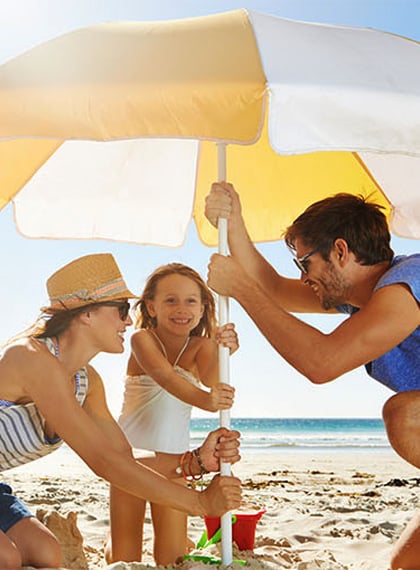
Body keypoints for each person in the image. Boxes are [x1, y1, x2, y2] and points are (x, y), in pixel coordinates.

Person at [204, 181, 420, 570]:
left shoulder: (404, 289)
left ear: (340, 251)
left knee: (405, 416)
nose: (304, 277)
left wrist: (241, 291)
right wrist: (233, 223)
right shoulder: (366, 299)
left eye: (305, 263)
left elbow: (322, 363)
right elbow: (273, 290)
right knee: (406, 564)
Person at [0, 253, 242, 570]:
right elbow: (103, 461)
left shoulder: (87, 381)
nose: (129, 321)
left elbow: (122, 457)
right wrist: (200, 503)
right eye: (122, 310)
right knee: (6, 558)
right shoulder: (28, 357)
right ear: (87, 313)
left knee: (45, 554)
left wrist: (195, 461)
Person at [106, 263, 237, 565]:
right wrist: (206, 401)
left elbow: (213, 379)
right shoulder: (142, 339)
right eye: (170, 300)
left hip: (174, 463)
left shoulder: (201, 346)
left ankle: (179, 541)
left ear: (203, 309)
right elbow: (165, 377)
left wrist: (225, 351)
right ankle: (112, 544)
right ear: (151, 307)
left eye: (191, 301)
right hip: (131, 459)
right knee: (125, 556)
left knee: (172, 557)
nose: (181, 308)